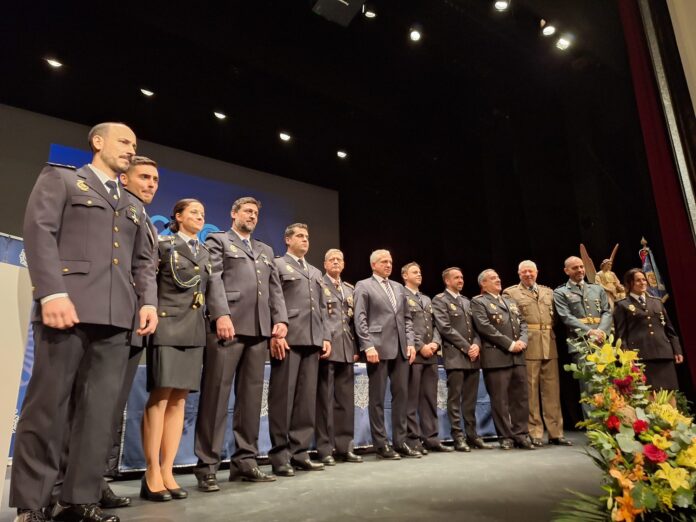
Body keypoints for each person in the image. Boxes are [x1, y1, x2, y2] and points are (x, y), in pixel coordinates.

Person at [12, 122, 158, 522]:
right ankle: (32, 503)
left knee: (99, 414)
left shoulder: (131, 203)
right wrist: (52, 292)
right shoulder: (61, 179)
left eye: (134, 143)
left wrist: (147, 302)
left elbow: (144, 262)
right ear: (97, 143)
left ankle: (78, 500)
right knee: (48, 407)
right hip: (69, 308)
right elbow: (39, 233)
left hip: (117, 316)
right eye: (124, 142)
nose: (131, 149)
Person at [194, 197, 288, 491]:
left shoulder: (265, 249)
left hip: (259, 329)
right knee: (216, 399)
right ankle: (207, 466)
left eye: (256, 213)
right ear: (233, 214)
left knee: (250, 401)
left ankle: (245, 462)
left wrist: (280, 321)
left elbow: (274, 288)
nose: (252, 216)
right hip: (229, 327)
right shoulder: (218, 240)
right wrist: (220, 313)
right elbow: (214, 279)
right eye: (247, 211)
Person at [140, 199, 210, 502]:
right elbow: (149, 282)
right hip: (167, 324)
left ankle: (167, 471)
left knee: (180, 399)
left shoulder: (204, 251)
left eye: (203, 214)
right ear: (178, 216)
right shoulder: (164, 243)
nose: (199, 216)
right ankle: (151, 471)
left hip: (194, 327)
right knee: (161, 396)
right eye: (193, 212)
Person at [269, 224, 331, 475]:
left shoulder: (315, 271)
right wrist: (276, 330)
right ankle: (280, 455)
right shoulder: (278, 264)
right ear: (287, 239)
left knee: (306, 401)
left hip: (313, 339)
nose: (305, 240)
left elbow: (323, 307)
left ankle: (300, 452)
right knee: (283, 399)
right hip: (289, 337)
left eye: (307, 237)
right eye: (300, 236)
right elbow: (274, 299)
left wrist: (325, 336)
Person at [353, 249, 418, 460]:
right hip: (378, 349)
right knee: (378, 399)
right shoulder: (364, 285)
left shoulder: (398, 288)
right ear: (374, 265)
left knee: (402, 397)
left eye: (390, 261)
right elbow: (360, 318)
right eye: (384, 261)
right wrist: (368, 346)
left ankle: (401, 442)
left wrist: (410, 343)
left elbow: (407, 319)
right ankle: (381, 444)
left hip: (400, 349)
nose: (388, 265)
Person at [503, 261, 571, 447]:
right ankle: (534, 432)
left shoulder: (548, 292)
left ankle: (556, 432)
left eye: (530, 271)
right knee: (530, 392)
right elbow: (512, 320)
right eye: (524, 271)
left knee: (552, 391)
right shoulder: (511, 293)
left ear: (536, 272)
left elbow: (555, 317)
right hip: (529, 344)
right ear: (519, 274)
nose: (528, 274)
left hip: (549, 342)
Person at [471, 269, 533, 450]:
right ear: (483, 284)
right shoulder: (479, 302)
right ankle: (505, 436)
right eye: (493, 278)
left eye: (498, 277)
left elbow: (522, 323)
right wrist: (510, 344)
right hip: (497, 357)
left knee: (521, 398)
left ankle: (521, 434)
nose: (498, 280)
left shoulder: (509, 300)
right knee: (500, 400)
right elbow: (484, 327)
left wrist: (522, 340)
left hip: (517, 357)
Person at [432, 267, 493, 452]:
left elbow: (476, 329)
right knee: (455, 399)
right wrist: (467, 347)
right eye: (456, 277)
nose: (461, 280)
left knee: (470, 400)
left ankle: (472, 435)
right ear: (447, 281)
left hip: (472, 357)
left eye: (462, 277)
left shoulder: (467, 301)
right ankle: (458, 437)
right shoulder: (440, 300)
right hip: (455, 356)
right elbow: (445, 328)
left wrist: (476, 345)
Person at [315, 249, 363, 465]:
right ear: (325, 264)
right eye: (332, 260)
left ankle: (345, 446)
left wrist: (355, 346)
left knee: (345, 401)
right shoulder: (319, 283)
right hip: (328, 347)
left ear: (343, 264)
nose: (336, 262)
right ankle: (325, 449)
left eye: (339, 260)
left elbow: (352, 322)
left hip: (346, 349)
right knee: (325, 401)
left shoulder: (349, 289)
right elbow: (318, 315)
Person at [401, 262, 451, 455]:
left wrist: (436, 344)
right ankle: (412, 439)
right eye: (415, 272)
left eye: (420, 272)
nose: (419, 274)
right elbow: (406, 326)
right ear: (405, 276)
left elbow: (436, 325)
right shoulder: (401, 295)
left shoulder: (426, 298)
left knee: (430, 399)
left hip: (431, 355)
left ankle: (431, 438)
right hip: (415, 355)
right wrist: (421, 346)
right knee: (412, 400)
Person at [553, 256, 612, 417]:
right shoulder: (561, 292)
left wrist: (602, 331)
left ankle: (611, 425)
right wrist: (590, 331)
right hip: (582, 343)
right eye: (575, 268)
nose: (579, 270)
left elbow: (606, 311)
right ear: (566, 271)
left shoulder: (597, 289)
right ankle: (594, 428)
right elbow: (566, 316)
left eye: (581, 267)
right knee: (589, 385)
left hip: (602, 341)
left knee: (607, 383)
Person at [613, 268, 683, 392]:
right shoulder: (622, 305)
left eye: (644, 280)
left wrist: (677, 350)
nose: (642, 283)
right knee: (649, 394)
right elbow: (621, 336)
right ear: (629, 284)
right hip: (640, 356)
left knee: (670, 393)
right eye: (638, 280)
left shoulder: (657, 302)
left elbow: (670, 329)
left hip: (664, 354)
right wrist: (626, 357)